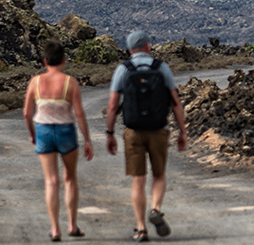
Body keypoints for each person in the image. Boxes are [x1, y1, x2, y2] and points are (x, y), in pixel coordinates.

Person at [105, 30, 187, 242]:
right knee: (159, 175)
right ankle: (156, 209)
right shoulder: (161, 68)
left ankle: (141, 229)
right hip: (158, 129)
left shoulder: (123, 69)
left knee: (137, 181)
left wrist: (110, 133)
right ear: (148, 46)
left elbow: (113, 105)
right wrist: (182, 131)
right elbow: (175, 102)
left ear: (129, 49)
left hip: (133, 131)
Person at [23, 40, 94, 242]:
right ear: (63, 60)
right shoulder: (69, 82)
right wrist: (87, 139)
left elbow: (27, 113)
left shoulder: (35, 82)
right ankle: (72, 225)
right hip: (66, 132)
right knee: (70, 178)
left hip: (43, 131)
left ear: (45, 61)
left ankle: (55, 229)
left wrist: (32, 134)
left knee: (51, 181)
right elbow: (79, 113)